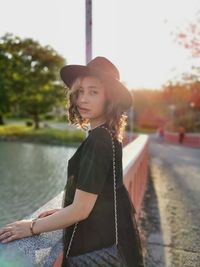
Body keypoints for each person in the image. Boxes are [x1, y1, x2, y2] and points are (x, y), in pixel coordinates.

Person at [0, 57, 144, 267]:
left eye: (93, 92)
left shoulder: (98, 140)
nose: (83, 99)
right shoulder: (108, 135)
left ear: (109, 98)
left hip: (95, 249)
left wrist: (31, 227)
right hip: (113, 238)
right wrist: (63, 210)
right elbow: (101, 194)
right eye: (80, 91)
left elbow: (80, 211)